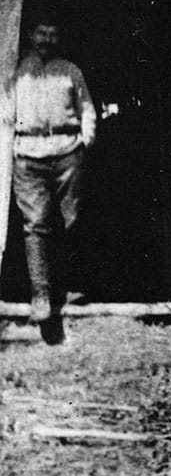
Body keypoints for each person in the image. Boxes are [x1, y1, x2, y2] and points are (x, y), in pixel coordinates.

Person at [11, 18, 96, 324]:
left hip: (66, 153)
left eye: (52, 33)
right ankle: (41, 295)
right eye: (41, 33)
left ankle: (69, 286)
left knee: (70, 220)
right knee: (36, 223)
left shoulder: (70, 70)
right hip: (28, 154)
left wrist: (84, 141)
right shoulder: (15, 70)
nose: (47, 39)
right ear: (31, 35)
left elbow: (87, 108)